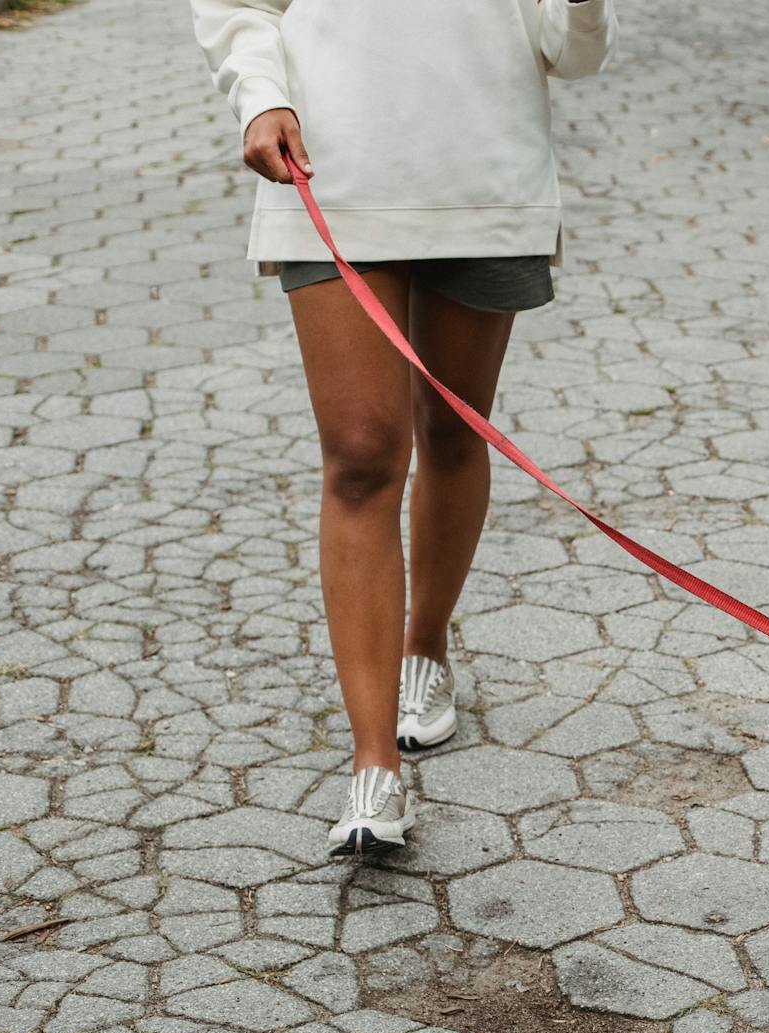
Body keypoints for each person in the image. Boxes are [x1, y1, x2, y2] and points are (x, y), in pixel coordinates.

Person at [190, 0, 617, 856]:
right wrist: (260, 93)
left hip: (484, 175)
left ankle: (425, 649)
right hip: (327, 164)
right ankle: (373, 763)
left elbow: (572, 53)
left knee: (455, 433)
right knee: (359, 456)